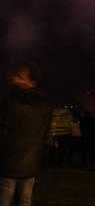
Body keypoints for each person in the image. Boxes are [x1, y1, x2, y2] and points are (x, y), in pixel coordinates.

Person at [0, 60, 52, 206]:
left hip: (7, 167)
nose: (14, 78)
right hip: (30, 167)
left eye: (19, 75)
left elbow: (3, 135)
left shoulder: (11, 102)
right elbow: (43, 136)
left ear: (31, 81)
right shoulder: (46, 105)